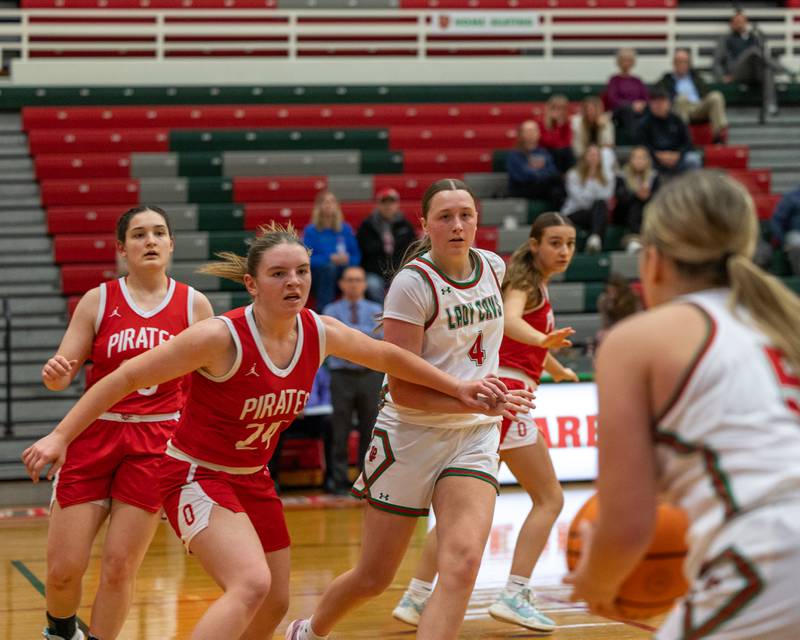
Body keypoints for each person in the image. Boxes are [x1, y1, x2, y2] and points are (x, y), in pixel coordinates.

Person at [23, 221, 526, 640]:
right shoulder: (219, 338)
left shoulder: (318, 329)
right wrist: (61, 435)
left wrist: (459, 388)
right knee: (250, 584)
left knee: (276, 603)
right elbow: (126, 375)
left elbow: (389, 355)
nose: (294, 282)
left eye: (302, 272)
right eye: (279, 273)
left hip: (253, 476)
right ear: (251, 284)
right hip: (195, 474)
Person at [285, 179, 536, 640]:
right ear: (425, 224)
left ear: (478, 219)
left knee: (461, 563)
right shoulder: (412, 284)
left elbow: (484, 347)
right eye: (445, 217)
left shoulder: (494, 267)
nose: (458, 225)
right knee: (374, 577)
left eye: (466, 214)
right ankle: (308, 630)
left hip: (473, 433)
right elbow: (403, 389)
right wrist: (468, 392)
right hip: (410, 434)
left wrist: (497, 390)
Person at [566, 169, 800, 638]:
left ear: (652, 261)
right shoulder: (781, 324)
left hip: (773, 550)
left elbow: (628, 525)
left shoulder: (637, 341)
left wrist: (595, 583)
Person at [392, 212, 579, 633]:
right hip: (505, 398)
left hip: (500, 395)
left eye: (569, 243)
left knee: (462, 515)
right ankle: (515, 592)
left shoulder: (532, 285)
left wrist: (553, 366)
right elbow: (513, 322)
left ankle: (417, 597)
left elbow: (513, 334)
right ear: (533, 245)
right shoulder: (523, 284)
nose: (563, 251)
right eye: (554, 242)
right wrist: (540, 342)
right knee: (550, 498)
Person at [36, 205, 214, 640]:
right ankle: (60, 630)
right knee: (63, 570)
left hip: (156, 441)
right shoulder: (98, 300)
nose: (149, 241)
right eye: (138, 235)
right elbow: (65, 371)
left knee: (119, 566)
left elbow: (210, 385)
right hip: (96, 433)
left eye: (158, 233)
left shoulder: (194, 304)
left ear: (171, 243)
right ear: (122, 249)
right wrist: (56, 374)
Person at [321, 266, 384, 495]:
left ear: (365, 284)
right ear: (342, 284)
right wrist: (363, 334)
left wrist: (348, 333)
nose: (354, 284)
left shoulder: (377, 309)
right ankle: (337, 481)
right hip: (342, 376)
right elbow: (334, 339)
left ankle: (366, 480)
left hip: (371, 375)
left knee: (371, 430)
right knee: (340, 430)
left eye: (358, 280)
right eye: (349, 280)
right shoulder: (330, 309)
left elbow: (380, 339)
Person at [713, 11, 792, 118]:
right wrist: (722, 77)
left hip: (754, 72)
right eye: (737, 22)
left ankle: (771, 105)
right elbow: (717, 62)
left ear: (746, 23)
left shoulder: (754, 37)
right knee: (753, 51)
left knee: (767, 70)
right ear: (732, 24)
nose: (739, 24)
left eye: (742, 21)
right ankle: (783, 70)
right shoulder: (726, 39)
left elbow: (762, 57)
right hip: (736, 72)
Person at [302, 190, 361, 311]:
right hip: (320, 276)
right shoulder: (311, 231)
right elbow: (306, 258)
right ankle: (323, 310)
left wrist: (347, 260)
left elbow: (356, 255)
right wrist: (329, 258)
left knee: (352, 274)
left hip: (342, 271)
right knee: (329, 268)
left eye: (332, 202)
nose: (329, 205)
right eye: (325, 202)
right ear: (319, 206)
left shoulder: (345, 228)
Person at [356, 187, 417, 303]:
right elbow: (364, 249)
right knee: (373, 286)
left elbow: (413, 249)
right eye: (384, 202)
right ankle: (382, 315)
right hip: (374, 271)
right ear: (378, 205)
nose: (388, 206)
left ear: (397, 204)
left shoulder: (405, 225)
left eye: (391, 202)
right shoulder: (367, 225)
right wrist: (383, 245)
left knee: (406, 283)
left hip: (399, 270)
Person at [657, 48, 729, 144]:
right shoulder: (666, 79)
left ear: (689, 64)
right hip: (679, 108)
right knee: (681, 99)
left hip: (698, 107)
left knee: (716, 96)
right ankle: (684, 137)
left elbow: (705, 93)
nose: (682, 65)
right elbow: (659, 94)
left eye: (685, 62)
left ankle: (719, 135)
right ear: (674, 63)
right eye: (679, 62)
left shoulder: (696, 78)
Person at [634, 88, 702, 178]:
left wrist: (678, 154)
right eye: (655, 102)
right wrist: (657, 155)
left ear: (669, 103)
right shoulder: (644, 123)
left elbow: (688, 142)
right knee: (641, 160)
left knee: (693, 159)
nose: (658, 105)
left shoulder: (677, 120)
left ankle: (691, 190)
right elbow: (642, 144)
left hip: (677, 157)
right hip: (654, 159)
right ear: (650, 104)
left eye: (662, 101)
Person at [562, 144, 614, 253]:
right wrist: (591, 180)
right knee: (599, 207)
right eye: (591, 154)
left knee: (600, 204)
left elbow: (607, 197)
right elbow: (580, 200)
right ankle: (595, 238)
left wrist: (595, 179)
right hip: (574, 212)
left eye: (596, 155)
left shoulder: (607, 176)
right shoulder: (573, 174)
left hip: (594, 213)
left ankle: (594, 239)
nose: (593, 158)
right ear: (584, 157)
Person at [506, 120, 565, 210]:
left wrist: (539, 175)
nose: (531, 134)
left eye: (533, 131)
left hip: (542, 187)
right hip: (523, 188)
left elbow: (552, 171)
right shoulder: (515, 154)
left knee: (556, 191)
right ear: (521, 134)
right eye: (527, 131)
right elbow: (522, 176)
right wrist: (542, 175)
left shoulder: (544, 153)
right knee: (555, 180)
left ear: (539, 134)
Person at [614, 145, 660, 252]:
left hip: (646, 212)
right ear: (630, 160)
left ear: (647, 160)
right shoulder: (622, 176)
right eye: (636, 157)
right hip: (625, 214)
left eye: (642, 158)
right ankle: (635, 238)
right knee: (636, 202)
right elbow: (620, 199)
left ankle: (645, 238)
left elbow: (659, 198)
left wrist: (648, 196)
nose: (639, 161)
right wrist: (636, 195)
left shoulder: (653, 176)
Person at [605, 47, 650, 133]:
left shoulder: (637, 80)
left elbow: (646, 97)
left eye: (629, 60)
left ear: (633, 62)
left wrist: (642, 105)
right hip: (620, 112)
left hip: (639, 110)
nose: (626, 63)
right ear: (619, 62)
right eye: (623, 60)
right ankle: (634, 138)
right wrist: (632, 105)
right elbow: (612, 99)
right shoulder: (614, 80)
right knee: (627, 110)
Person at [594, 272, 642, 349]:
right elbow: (606, 324)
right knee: (601, 336)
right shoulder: (604, 300)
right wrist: (611, 305)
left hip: (631, 328)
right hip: (613, 329)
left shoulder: (633, 297)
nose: (611, 291)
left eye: (614, 289)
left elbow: (639, 318)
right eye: (609, 289)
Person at [570, 96, 616, 175]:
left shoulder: (606, 123)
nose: (590, 112)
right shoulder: (575, 122)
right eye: (588, 109)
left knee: (607, 152)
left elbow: (609, 144)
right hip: (581, 156)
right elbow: (576, 146)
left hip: (600, 157)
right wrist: (587, 156)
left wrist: (602, 128)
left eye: (594, 109)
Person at [537, 94, 574, 174]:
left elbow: (567, 142)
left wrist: (559, 125)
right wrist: (556, 126)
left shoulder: (566, 123)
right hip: (544, 151)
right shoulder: (541, 122)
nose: (558, 112)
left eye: (561, 109)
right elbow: (547, 142)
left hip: (561, 153)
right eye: (554, 108)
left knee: (567, 152)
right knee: (558, 152)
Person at [770, 186, 800, 276]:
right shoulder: (791, 197)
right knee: (797, 245)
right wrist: (783, 242)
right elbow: (777, 221)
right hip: (795, 233)